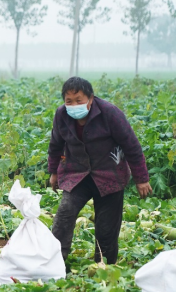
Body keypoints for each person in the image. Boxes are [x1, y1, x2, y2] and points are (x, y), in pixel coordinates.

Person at [48, 77, 152, 265]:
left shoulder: (110, 113)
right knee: (65, 213)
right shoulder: (61, 115)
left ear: (90, 99)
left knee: (106, 228)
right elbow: (55, 145)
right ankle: (55, 263)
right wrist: (54, 172)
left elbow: (131, 146)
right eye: (68, 101)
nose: (73, 105)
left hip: (109, 175)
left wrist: (141, 179)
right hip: (77, 175)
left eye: (78, 100)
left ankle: (103, 267)